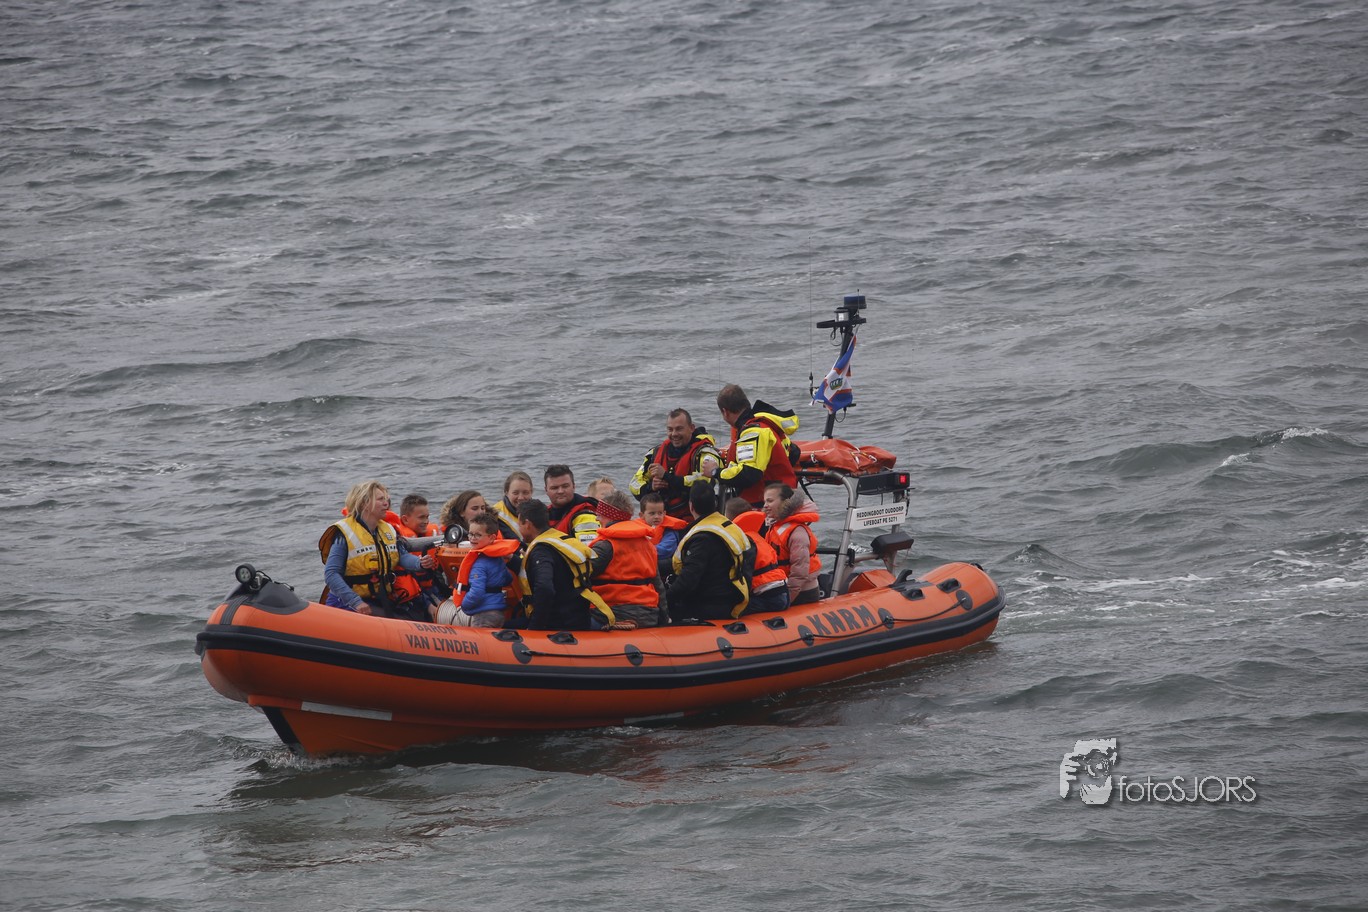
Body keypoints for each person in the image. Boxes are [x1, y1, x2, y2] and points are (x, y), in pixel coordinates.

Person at [319, 480, 435, 618]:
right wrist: (355, 602)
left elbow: (402, 556)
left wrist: (419, 563)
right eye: (381, 499)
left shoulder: (388, 530)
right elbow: (331, 574)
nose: (386, 503)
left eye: (386, 499)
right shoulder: (344, 533)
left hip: (378, 599)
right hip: (346, 602)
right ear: (364, 503)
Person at [515, 499, 614, 631]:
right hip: (579, 617)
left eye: (519, 524)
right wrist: (511, 560)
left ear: (527, 524)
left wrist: (535, 627)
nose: (519, 528)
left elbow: (545, 588)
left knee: (506, 626)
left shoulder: (541, 551)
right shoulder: (559, 539)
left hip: (560, 625)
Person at [665, 484, 755, 622]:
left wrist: (663, 601)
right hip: (732, 597)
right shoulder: (727, 526)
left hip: (710, 605)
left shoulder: (702, 539)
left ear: (691, 506)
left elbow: (688, 581)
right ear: (716, 503)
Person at [713, 384, 801, 507]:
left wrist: (716, 472)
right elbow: (794, 452)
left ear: (725, 412)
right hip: (782, 497)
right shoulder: (767, 425)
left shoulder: (753, 432)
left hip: (764, 504)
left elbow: (749, 474)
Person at [588, 490, 664, 628]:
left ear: (609, 516)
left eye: (599, 515)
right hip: (649, 614)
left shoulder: (605, 546)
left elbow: (581, 576)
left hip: (611, 614)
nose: (597, 519)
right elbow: (658, 585)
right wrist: (665, 618)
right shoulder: (648, 545)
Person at [629, 409, 721, 520]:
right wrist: (651, 487)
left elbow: (705, 482)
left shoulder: (705, 453)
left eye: (679, 429)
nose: (674, 434)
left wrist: (667, 477)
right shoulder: (656, 453)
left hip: (692, 519)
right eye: (670, 429)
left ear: (691, 428)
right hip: (660, 518)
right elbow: (634, 484)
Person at [438, 514, 521, 628]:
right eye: (470, 534)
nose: (472, 538)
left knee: (481, 638)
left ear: (492, 538)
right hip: (498, 610)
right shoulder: (498, 558)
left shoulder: (479, 564)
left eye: (478, 535)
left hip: (484, 614)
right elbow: (508, 578)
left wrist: (464, 605)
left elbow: (477, 592)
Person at [725, 496, 790, 614]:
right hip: (782, 592)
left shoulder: (741, 541)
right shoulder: (756, 536)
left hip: (769, 598)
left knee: (726, 608)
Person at [763, 482, 822, 606]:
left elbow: (800, 571)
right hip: (782, 587)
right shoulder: (775, 526)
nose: (765, 506)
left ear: (785, 502)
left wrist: (788, 598)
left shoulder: (797, 532)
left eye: (770, 501)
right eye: (765, 502)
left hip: (802, 593)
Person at [544, 464, 600, 546]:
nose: (560, 491)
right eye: (554, 488)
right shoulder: (543, 515)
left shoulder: (586, 516)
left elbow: (590, 551)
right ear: (546, 490)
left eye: (565, 486)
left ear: (573, 486)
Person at [639, 491, 687, 579]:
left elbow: (666, 550)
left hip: (662, 568)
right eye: (652, 513)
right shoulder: (637, 529)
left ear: (664, 513)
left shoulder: (669, 531)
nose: (656, 516)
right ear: (642, 515)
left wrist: (642, 551)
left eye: (660, 513)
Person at [490, 471, 533, 540]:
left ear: (531, 492)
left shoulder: (540, 512)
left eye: (525, 492)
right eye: (515, 493)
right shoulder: (495, 515)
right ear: (506, 492)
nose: (521, 498)